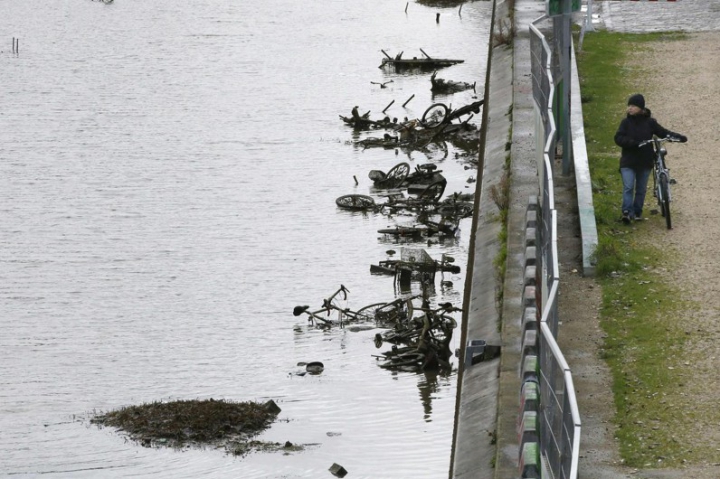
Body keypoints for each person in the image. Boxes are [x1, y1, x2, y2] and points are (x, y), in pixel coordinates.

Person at [614, 93, 687, 224]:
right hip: (628, 161)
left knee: (641, 189)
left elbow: (663, 132)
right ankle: (626, 212)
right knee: (629, 186)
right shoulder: (625, 123)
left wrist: (678, 137)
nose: (629, 108)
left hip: (645, 161)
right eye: (629, 106)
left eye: (633, 106)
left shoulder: (650, 123)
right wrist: (632, 143)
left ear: (641, 108)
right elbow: (618, 138)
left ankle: (637, 212)